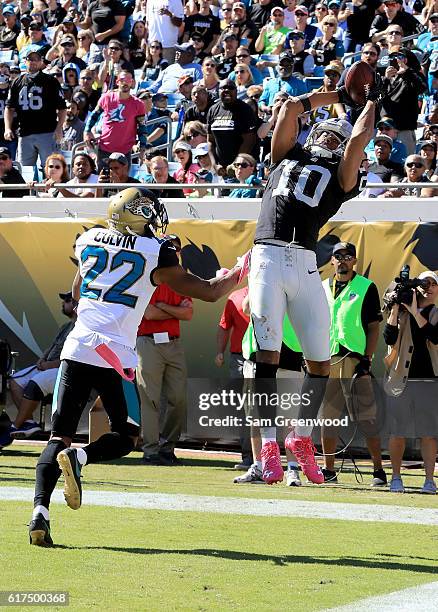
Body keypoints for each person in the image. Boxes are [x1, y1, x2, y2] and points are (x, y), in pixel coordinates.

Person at [28, 186, 243, 546]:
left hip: (79, 345)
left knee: (57, 434)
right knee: (127, 437)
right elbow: (208, 290)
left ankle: (39, 513)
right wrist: (241, 270)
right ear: (138, 217)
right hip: (117, 355)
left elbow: (78, 293)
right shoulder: (155, 251)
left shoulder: (89, 239)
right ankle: (80, 456)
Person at [248, 77, 381, 485]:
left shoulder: (343, 174)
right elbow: (289, 108)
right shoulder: (286, 152)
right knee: (266, 359)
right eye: (325, 129)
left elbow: (358, 139)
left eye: (335, 135)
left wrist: (370, 103)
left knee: (319, 363)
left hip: (304, 262)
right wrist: (339, 96)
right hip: (268, 255)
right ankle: (269, 447)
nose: (329, 135)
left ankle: (300, 438)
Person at [320, 242, 386, 485]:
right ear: (332, 261)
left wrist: (367, 360)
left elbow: (373, 327)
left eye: (348, 256)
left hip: (355, 360)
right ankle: (328, 470)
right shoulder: (322, 287)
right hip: (327, 360)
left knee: (367, 417)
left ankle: (378, 470)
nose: (343, 261)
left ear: (355, 261)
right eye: (339, 256)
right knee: (328, 418)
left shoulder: (366, 286)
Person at [136, 234, 192, 466]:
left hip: (173, 342)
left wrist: (163, 307)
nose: (174, 252)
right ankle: (150, 450)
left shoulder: (182, 278)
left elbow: (188, 313)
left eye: (177, 249)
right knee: (150, 399)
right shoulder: (147, 275)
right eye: (170, 248)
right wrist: (174, 309)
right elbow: (148, 313)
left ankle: (167, 448)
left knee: (178, 399)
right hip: (147, 342)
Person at [383, 270, 438, 494]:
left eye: (434, 284)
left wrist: (415, 310)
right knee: (397, 431)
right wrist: (396, 307)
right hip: (399, 380)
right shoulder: (401, 312)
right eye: (425, 283)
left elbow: (435, 336)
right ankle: (396, 478)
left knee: (428, 433)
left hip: (428, 381)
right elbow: (388, 337)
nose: (429, 287)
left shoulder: (435, 313)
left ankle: (429, 480)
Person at [0, 292, 77, 447]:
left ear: (77, 305)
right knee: (14, 381)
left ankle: (15, 427)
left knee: (34, 383)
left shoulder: (80, 328)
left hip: (64, 370)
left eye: (67, 300)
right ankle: (28, 422)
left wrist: (49, 365)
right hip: (47, 367)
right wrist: (42, 360)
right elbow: (52, 347)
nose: (63, 303)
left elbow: (72, 357)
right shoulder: (66, 326)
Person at [4, 48, 66, 168]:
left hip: (47, 132)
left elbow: (62, 108)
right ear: (25, 61)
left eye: (36, 59)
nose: (33, 62)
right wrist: (7, 128)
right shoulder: (17, 82)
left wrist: (59, 128)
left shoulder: (50, 81)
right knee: (26, 171)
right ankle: (30, 188)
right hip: (25, 133)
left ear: (41, 62)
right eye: (30, 59)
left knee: (50, 169)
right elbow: (9, 108)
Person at [215, 284, 252, 469]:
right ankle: (249, 457)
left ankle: (273, 456)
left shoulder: (276, 293)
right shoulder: (235, 296)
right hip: (239, 359)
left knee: (269, 407)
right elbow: (224, 325)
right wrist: (219, 351)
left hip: (268, 358)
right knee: (244, 410)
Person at [84, 70, 145, 169]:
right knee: (103, 181)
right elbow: (94, 116)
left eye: (128, 80)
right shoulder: (106, 98)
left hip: (125, 151)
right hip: (104, 148)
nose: (125, 83)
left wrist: (142, 148)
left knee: (123, 182)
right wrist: (87, 131)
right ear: (117, 82)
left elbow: (142, 127)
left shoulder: (138, 104)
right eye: (122, 80)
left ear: (132, 83)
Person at [207, 78, 256, 172]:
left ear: (236, 91)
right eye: (223, 88)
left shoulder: (245, 109)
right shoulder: (213, 110)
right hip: (221, 169)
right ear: (218, 91)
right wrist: (214, 165)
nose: (227, 90)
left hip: (242, 168)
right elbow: (210, 141)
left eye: (231, 88)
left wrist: (236, 164)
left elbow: (249, 140)